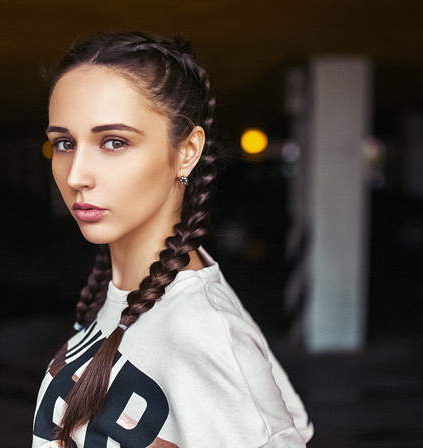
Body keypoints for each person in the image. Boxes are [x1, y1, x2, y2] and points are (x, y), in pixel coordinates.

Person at [32, 32, 314, 448]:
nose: (75, 176)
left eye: (114, 142)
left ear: (186, 151)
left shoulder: (201, 329)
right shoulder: (125, 293)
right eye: (65, 144)